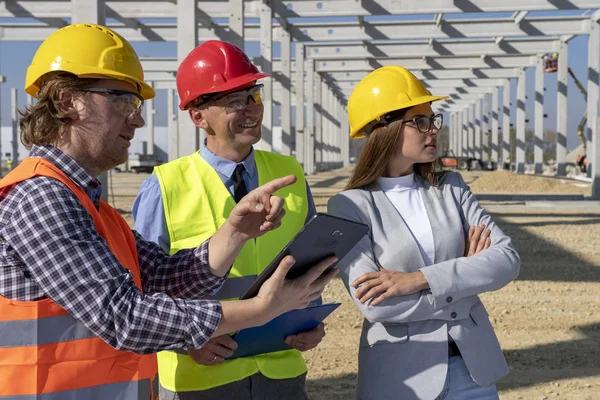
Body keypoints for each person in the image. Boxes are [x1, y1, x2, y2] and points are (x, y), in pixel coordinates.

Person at [0, 24, 338, 399]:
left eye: (136, 105)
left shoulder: (93, 207)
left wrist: (235, 233)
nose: (139, 119)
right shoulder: (42, 197)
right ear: (67, 103)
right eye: (122, 101)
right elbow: (125, 317)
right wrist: (261, 310)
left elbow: (164, 277)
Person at [133, 40, 324, 400]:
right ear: (198, 116)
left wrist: (313, 320)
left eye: (254, 95)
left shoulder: (289, 172)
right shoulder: (164, 186)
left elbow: (311, 260)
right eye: (235, 100)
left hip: (281, 369)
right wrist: (184, 343)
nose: (251, 109)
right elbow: (142, 290)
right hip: (202, 375)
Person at [327, 66, 520, 400]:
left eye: (433, 120)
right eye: (420, 121)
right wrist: (464, 280)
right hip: (402, 379)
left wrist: (416, 279)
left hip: (472, 371)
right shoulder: (349, 205)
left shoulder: (451, 187)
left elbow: (506, 260)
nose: (433, 130)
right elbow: (375, 305)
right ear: (382, 129)